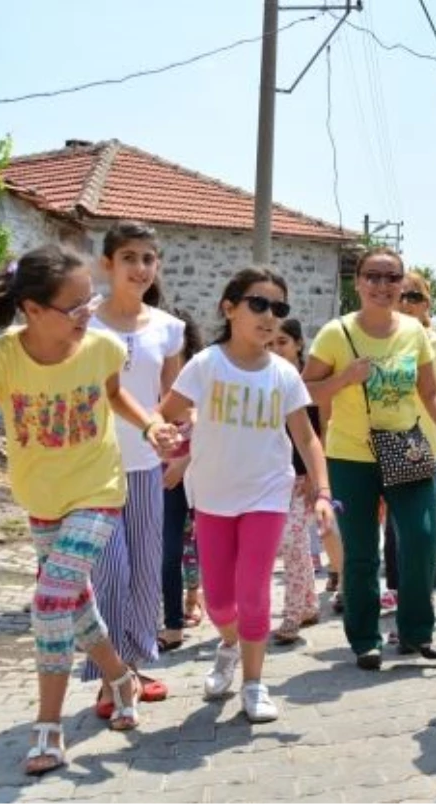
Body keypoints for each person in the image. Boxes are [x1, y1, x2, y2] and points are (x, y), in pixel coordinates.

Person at [0, 244, 178, 774]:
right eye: (74, 307)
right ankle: (120, 677)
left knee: (50, 599)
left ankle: (47, 728)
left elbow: (113, 395)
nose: (87, 313)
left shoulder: (102, 347)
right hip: (42, 500)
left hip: (99, 489)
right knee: (75, 605)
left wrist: (152, 424)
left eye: (89, 301)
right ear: (33, 310)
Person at [158, 267, 335, 723]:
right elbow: (164, 415)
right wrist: (166, 437)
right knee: (219, 600)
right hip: (213, 496)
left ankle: (254, 683)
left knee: (254, 591)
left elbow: (307, 438)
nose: (269, 316)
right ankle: (230, 644)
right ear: (229, 308)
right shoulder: (205, 365)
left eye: (279, 308)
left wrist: (321, 490)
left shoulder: (284, 374)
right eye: (258, 304)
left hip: (267, 494)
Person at [305, 247, 436, 671]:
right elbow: (306, 392)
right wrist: (344, 378)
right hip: (350, 454)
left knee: (423, 538)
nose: (383, 286)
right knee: (360, 551)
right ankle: (365, 639)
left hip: (405, 447)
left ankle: (416, 632)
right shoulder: (335, 334)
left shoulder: (413, 331)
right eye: (373, 276)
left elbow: (430, 392)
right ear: (358, 282)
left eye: (392, 278)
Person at [85, 221, 182, 714]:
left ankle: (135, 664)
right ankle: (110, 675)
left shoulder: (168, 328)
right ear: (108, 264)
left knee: (145, 570)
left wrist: (172, 442)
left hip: (146, 466)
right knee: (110, 573)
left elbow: (172, 399)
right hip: (91, 469)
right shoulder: (83, 322)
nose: (140, 268)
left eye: (148, 258)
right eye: (129, 258)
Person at [388, 271, 436, 593]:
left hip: (435, 449)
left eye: (413, 297)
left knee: (423, 530)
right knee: (396, 529)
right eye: (399, 296)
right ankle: (400, 596)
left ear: (426, 303)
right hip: (393, 443)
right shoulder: (380, 342)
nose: (405, 303)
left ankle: (420, 604)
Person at [270, 317, 324, 644]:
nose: (276, 349)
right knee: (298, 545)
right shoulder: (264, 376)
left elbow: (315, 433)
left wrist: (315, 476)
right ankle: (308, 604)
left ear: (298, 344)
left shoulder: (307, 381)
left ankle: (291, 616)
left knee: (291, 542)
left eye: (282, 342)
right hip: (271, 476)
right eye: (271, 343)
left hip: (301, 477)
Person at [158, 308, 203, 652]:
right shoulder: (143, 379)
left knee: (203, 547)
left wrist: (185, 461)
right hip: (161, 479)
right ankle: (172, 623)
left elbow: (216, 430)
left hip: (200, 475)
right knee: (169, 550)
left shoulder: (203, 377)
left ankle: (196, 596)